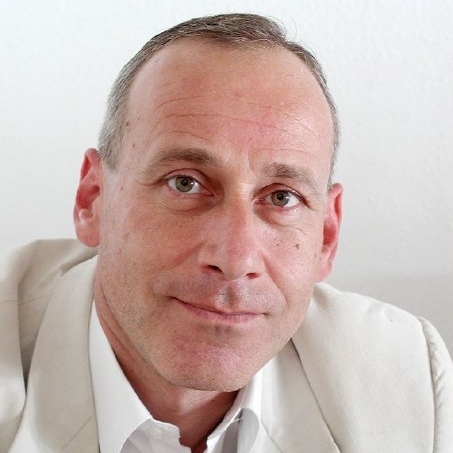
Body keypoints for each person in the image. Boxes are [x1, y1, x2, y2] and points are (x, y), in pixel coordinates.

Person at [0, 13, 452, 453]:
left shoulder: (405, 378)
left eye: (282, 197)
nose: (235, 259)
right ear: (93, 199)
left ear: (327, 236)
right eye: (185, 183)